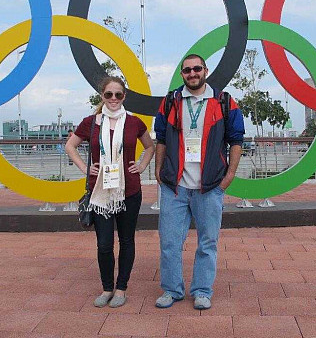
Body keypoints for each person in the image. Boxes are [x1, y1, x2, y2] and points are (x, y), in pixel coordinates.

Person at [154, 54, 245, 310]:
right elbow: (160, 138)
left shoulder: (224, 101)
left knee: (208, 242)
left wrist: (229, 176)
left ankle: (202, 290)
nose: (192, 73)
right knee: (169, 241)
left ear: (205, 70)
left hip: (210, 185)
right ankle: (172, 289)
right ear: (182, 74)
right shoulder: (171, 102)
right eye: (187, 70)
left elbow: (237, 141)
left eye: (196, 68)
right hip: (176, 186)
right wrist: (159, 170)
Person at [65, 76, 155, 309]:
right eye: (109, 95)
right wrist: (86, 168)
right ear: (102, 96)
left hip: (130, 190)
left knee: (127, 241)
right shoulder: (91, 122)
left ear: (124, 96)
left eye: (118, 95)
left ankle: (121, 288)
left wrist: (142, 166)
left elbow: (150, 147)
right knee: (104, 244)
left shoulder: (134, 122)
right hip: (101, 191)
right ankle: (107, 288)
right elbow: (70, 146)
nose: (113, 99)